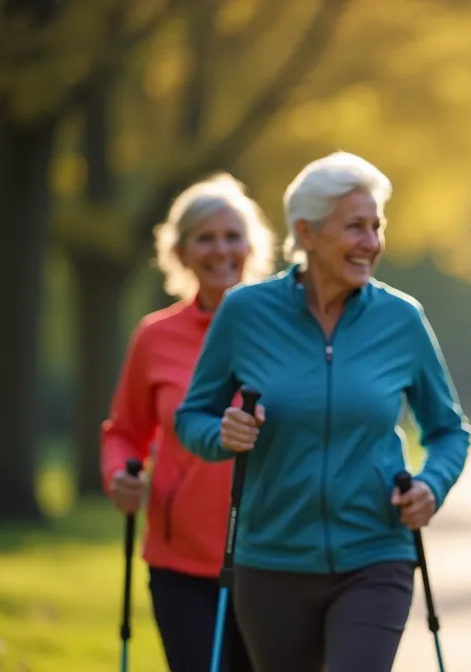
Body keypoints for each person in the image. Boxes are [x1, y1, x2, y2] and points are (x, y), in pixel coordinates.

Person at [174, 151, 471, 672]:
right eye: (355, 227)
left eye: (376, 227)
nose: (371, 242)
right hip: (271, 562)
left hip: (376, 555)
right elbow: (191, 416)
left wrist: (431, 485)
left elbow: (449, 430)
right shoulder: (245, 312)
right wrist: (223, 433)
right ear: (306, 233)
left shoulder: (401, 319)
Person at [100, 172, 274, 672]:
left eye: (232, 236)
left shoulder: (286, 329)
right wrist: (120, 474)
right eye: (205, 238)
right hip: (181, 563)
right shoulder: (155, 337)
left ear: (252, 246)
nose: (221, 250)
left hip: (275, 558)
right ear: (179, 252)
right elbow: (125, 432)